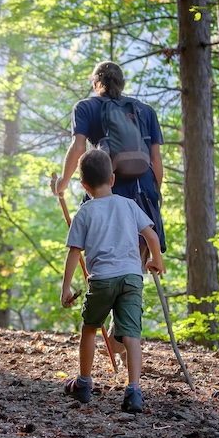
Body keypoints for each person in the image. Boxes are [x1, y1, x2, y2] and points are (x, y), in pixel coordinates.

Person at [54, 60, 166, 366]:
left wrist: (63, 184)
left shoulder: (87, 107)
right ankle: (123, 332)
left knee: (102, 257)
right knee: (133, 268)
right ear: (123, 83)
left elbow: (79, 147)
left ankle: (115, 337)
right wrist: (155, 197)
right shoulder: (146, 111)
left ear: (95, 83)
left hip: (105, 192)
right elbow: (156, 160)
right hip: (144, 196)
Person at [61, 149, 165, 412]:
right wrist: (156, 260)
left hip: (102, 280)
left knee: (90, 327)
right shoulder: (129, 205)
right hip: (132, 277)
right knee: (131, 334)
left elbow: (75, 251)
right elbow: (152, 236)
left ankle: (83, 383)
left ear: (84, 185)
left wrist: (66, 286)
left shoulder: (84, 212)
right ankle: (134, 390)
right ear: (113, 179)